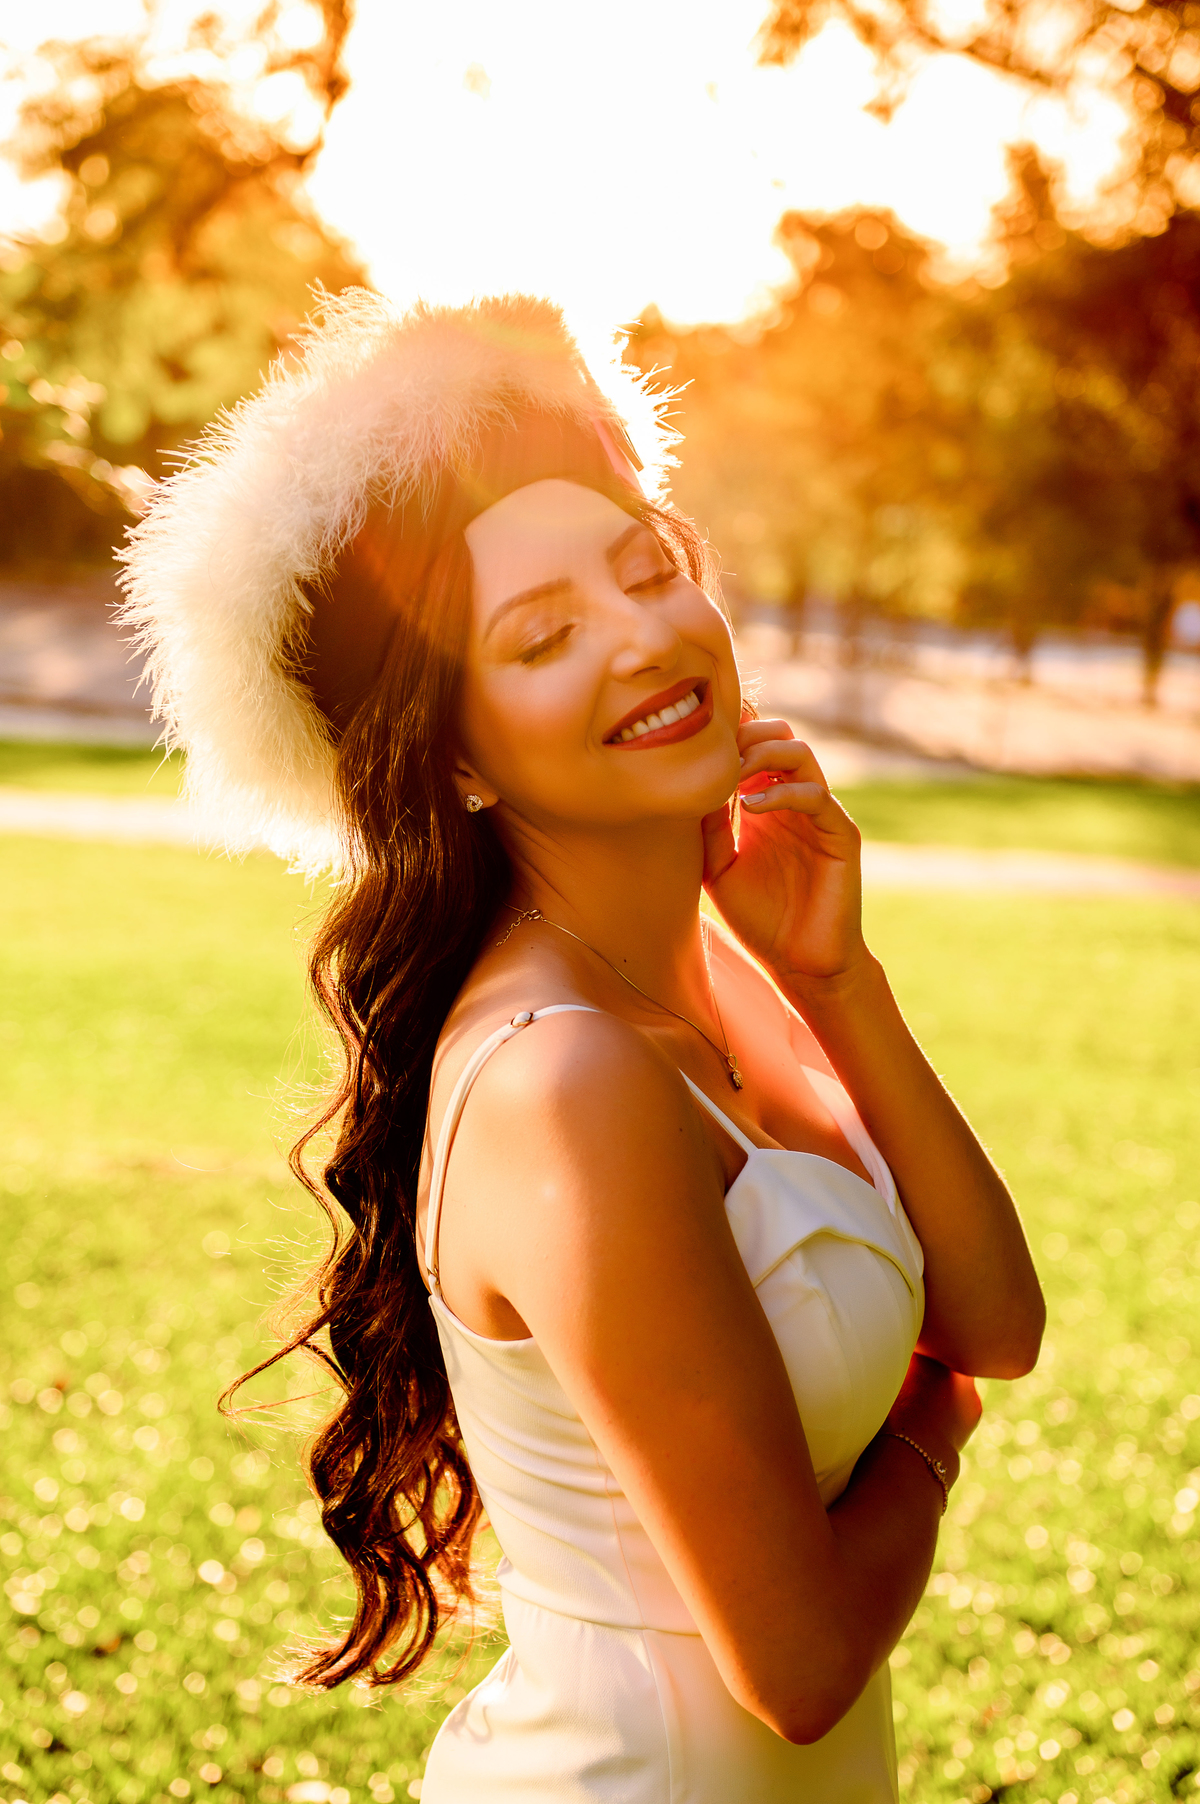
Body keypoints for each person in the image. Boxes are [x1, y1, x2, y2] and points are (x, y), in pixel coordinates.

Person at [120, 292, 1045, 1802]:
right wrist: (929, 1439)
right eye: (546, 636)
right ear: (463, 755)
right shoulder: (570, 1077)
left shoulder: (723, 982)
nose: (644, 639)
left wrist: (840, 978)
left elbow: (997, 1323)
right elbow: (801, 1666)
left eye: (647, 568)